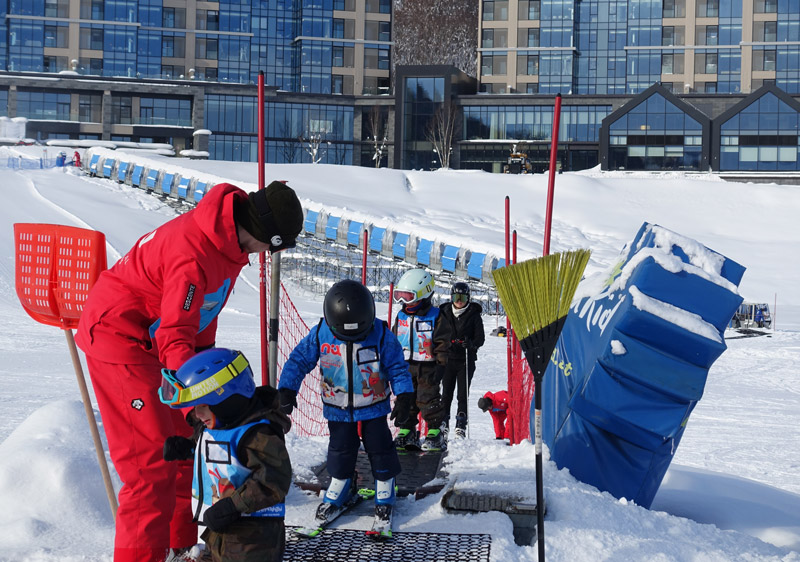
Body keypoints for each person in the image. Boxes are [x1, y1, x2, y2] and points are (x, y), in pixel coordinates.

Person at [75, 180, 303, 562]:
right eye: (275, 247)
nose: (269, 254)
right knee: (150, 468)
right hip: (121, 338)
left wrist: (212, 396)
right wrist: (200, 396)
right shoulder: (194, 254)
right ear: (268, 236)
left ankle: (181, 548)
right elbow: (176, 332)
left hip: (160, 341)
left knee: (189, 443)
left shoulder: (230, 245)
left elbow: (200, 323)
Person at [277, 280, 414, 533]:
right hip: (337, 406)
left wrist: (404, 396)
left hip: (373, 406)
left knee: (380, 447)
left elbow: (397, 367)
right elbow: (298, 361)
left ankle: (385, 488)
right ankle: (341, 484)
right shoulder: (321, 333)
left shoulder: (381, 334)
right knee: (340, 449)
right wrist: (287, 388)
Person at [161, 348, 292, 562]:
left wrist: (232, 506)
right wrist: (188, 448)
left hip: (253, 538)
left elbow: (273, 480)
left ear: (227, 399)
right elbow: (221, 455)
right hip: (222, 528)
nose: (197, 414)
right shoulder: (217, 426)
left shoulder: (257, 435)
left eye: (203, 406)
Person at [391, 269, 448, 451]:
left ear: (424, 295)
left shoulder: (436, 316)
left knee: (427, 398)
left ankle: (435, 430)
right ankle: (407, 430)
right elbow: (394, 339)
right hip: (405, 366)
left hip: (428, 366)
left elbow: (443, 342)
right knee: (406, 397)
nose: (405, 302)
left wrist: (441, 364)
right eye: (400, 297)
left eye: (409, 297)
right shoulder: (401, 316)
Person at [434, 281, 485, 438]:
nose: (459, 301)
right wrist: (445, 343)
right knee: (446, 393)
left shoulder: (473, 315)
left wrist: (470, 344)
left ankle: (461, 424)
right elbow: (437, 333)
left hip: (465, 360)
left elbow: (480, 338)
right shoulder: (444, 312)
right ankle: (443, 422)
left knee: (462, 394)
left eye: (462, 297)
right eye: (456, 297)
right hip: (448, 359)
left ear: (468, 298)